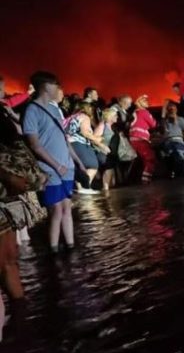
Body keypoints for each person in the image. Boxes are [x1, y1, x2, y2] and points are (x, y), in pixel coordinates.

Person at [23, 71, 87, 253]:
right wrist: (56, 165)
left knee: (66, 208)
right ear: (46, 87)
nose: (58, 89)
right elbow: (34, 145)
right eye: (55, 85)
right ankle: (53, 249)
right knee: (56, 210)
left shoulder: (54, 110)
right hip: (50, 169)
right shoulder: (32, 111)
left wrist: (77, 162)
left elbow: (64, 139)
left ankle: (70, 246)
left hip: (66, 166)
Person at [1, 103, 48, 339]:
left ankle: (16, 327)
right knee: (9, 265)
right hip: (7, 209)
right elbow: (30, 180)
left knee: (8, 264)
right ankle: (20, 325)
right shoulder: (10, 135)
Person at [64, 101, 109, 194]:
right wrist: (99, 141)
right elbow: (85, 132)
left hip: (68, 144)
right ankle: (85, 187)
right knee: (92, 165)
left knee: (80, 166)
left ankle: (80, 188)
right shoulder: (84, 117)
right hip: (79, 143)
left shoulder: (70, 118)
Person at [129, 95, 157, 183]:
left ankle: (139, 179)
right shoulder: (144, 112)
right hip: (141, 139)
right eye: (145, 101)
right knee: (150, 158)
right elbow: (153, 124)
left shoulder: (135, 112)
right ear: (140, 103)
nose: (147, 102)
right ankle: (146, 179)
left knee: (141, 160)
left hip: (133, 139)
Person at [159, 102, 184, 178]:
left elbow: (164, 134)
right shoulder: (180, 119)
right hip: (178, 141)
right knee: (183, 157)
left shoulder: (165, 121)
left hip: (169, 141)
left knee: (168, 155)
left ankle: (171, 172)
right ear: (176, 110)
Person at [94, 108, 119, 190]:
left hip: (110, 153)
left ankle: (106, 186)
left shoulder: (112, 127)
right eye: (115, 115)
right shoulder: (102, 125)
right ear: (109, 116)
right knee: (109, 165)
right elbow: (94, 139)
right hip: (102, 152)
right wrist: (103, 146)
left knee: (112, 180)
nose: (117, 117)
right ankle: (105, 187)